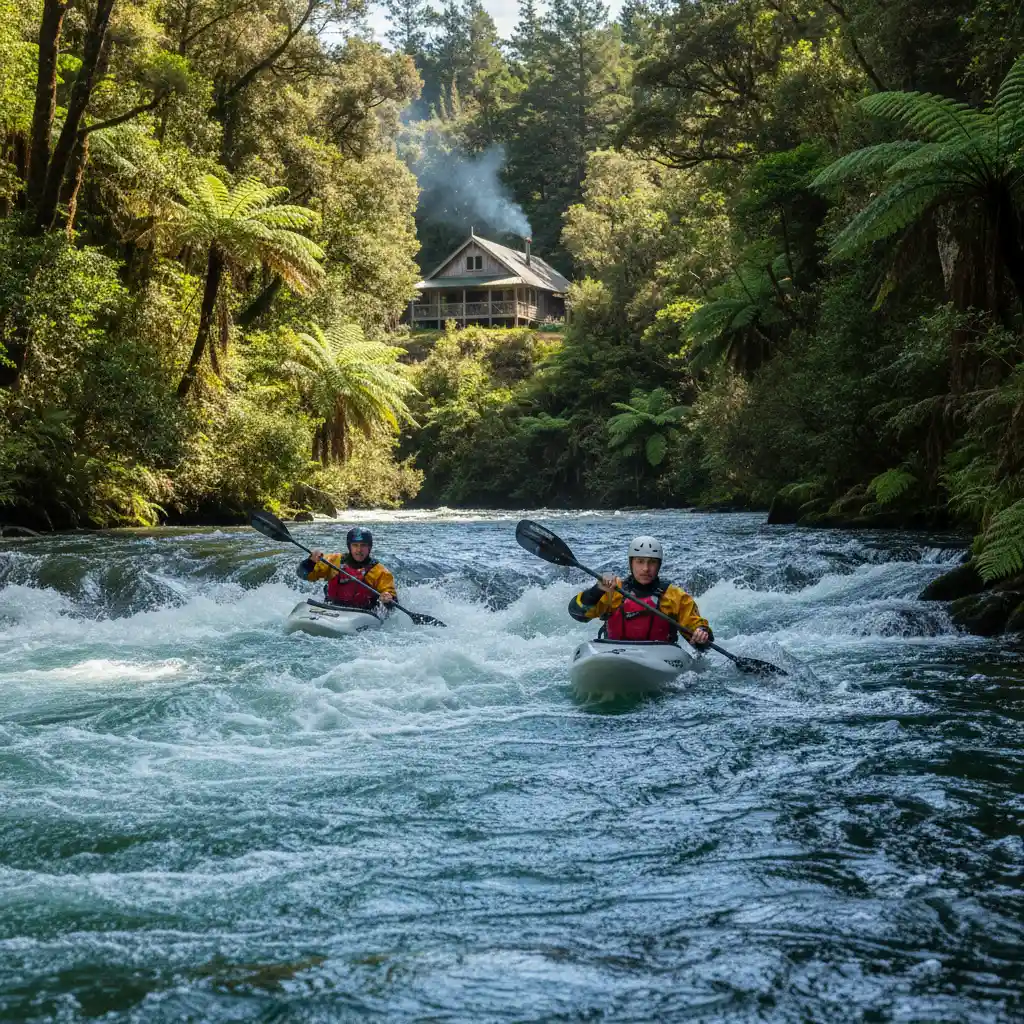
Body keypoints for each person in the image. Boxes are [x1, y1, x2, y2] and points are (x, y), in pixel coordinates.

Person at [567, 535, 712, 647]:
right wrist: (596, 590)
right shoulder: (614, 591)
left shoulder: (675, 596)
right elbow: (577, 614)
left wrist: (701, 634)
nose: (646, 569)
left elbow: (700, 640)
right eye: (640, 561)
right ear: (631, 563)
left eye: (652, 562)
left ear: (659, 565)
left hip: (660, 657)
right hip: (615, 653)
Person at [298, 527, 397, 612]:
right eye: (355, 545)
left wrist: (388, 598)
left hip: (363, 613)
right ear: (349, 546)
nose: (359, 550)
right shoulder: (332, 561)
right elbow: (303, 575)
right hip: (331, 607)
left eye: (363, 545)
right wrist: (310, 562)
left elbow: (393, 604)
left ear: (369, 547)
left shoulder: (381, 572)